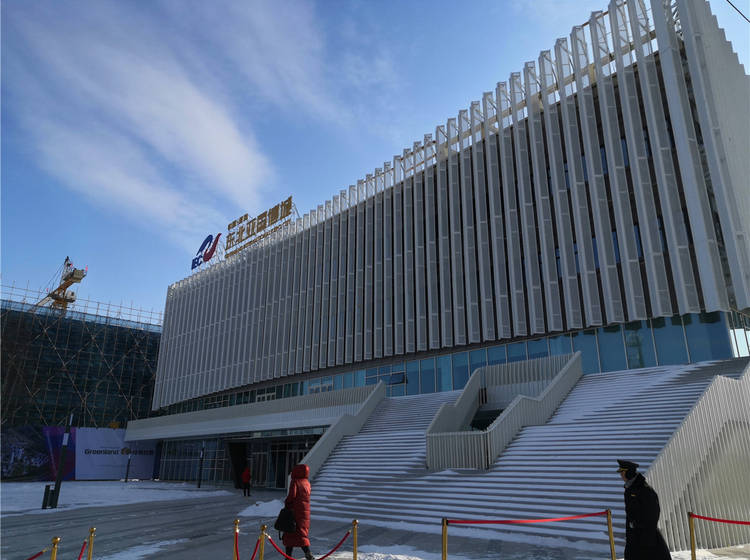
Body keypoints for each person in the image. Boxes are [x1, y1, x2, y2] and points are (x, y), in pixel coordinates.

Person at [617, 459, 672, 559]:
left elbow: (654, 513)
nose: (621, 475)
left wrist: (639, 526)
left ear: (629, 472)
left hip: (646, 536)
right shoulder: (630, 488)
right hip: (634, 536)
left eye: (623, 472)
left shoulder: (644, 489)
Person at [282, 464, 314, 560]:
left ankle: (289, 557)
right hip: (304, 513)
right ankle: (308, 554)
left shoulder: (295, 482)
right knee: (301, 534)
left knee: (290, 533)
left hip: (295, 512)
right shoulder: (307, 483)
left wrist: (287, 503)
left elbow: (291, 496)